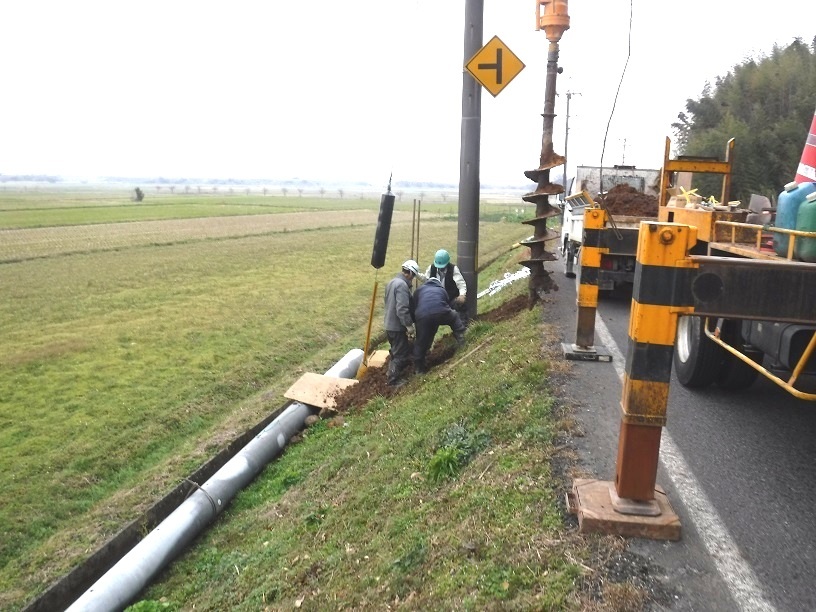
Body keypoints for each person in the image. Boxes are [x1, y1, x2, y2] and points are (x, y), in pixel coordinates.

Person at [412, 277, 466, 374]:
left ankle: (419, 368)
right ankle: (462, 340)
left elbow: (414, 306)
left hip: (422, 316)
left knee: (421, 341)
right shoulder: (442, 289)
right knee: (454, 317)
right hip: (441, 312)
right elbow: (446, 305)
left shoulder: (419, 290)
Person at [383, 259, 419, 387]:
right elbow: (402, 308)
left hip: (388, 324)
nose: (412, 279)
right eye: (413, 276)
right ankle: (393, 381)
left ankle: (393, 372)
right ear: (409, 273)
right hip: (397, 326)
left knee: (396, 351)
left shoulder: (391, 282)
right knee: (401, 354)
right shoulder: (402, 286)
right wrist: (409, 326)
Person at [425, 249, 469, 325]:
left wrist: (462, 295)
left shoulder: (453, 269)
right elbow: (425, 278)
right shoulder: (431, 268)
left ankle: (463, 327)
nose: (440, 268)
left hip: (450, 299)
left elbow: (461, 284)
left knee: (460, 304)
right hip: (436, 300)